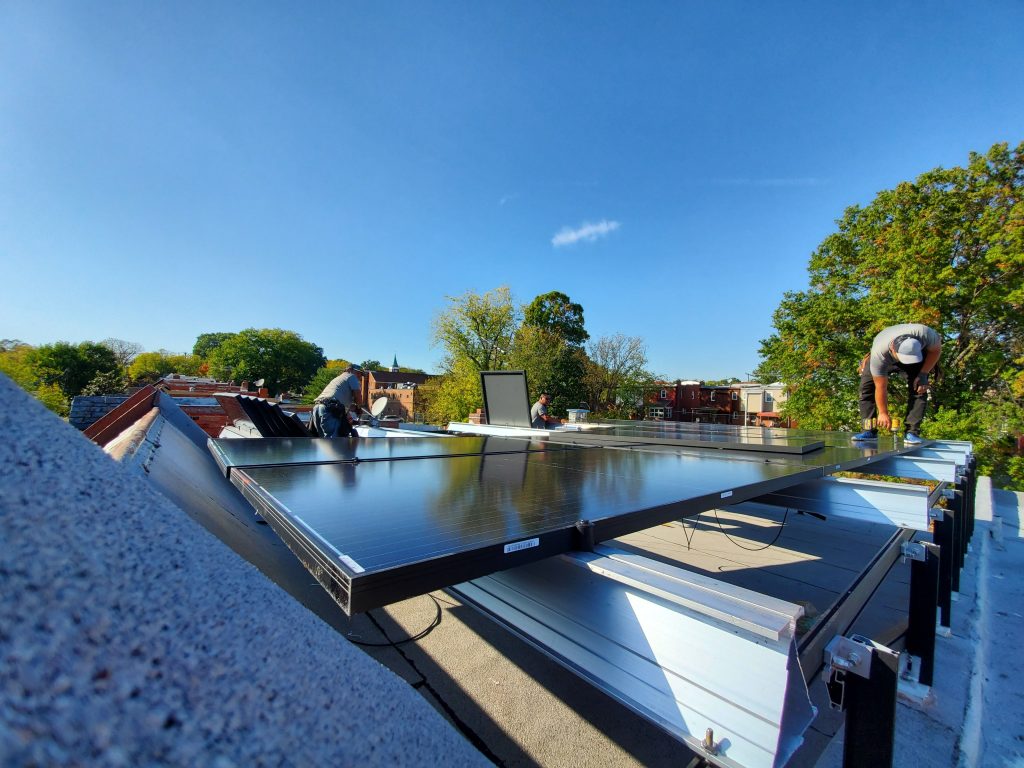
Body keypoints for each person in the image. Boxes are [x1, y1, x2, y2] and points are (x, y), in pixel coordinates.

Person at [853, 323, 942, 445]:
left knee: (919, 388)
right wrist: (883, 413)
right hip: (885, 357)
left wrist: (923, 374)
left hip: (918, 357)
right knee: (866, 389)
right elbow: (881, 387)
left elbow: (936, 351)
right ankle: (869, 430)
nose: (906, 363)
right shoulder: (880, 353)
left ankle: (912, 432)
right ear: (893, 349)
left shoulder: (927, 335)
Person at [309, 364, 363, 438]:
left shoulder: (339, 379)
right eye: (359, 373)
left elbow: (339, 400)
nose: (360, 376)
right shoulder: (351, 376)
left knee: (322, 442)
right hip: (330, 410)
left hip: (318, 408)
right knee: (334, 443)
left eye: (361, 374)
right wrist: (359, 407)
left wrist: (349, 412)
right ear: (350, 370)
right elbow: (358, 394)